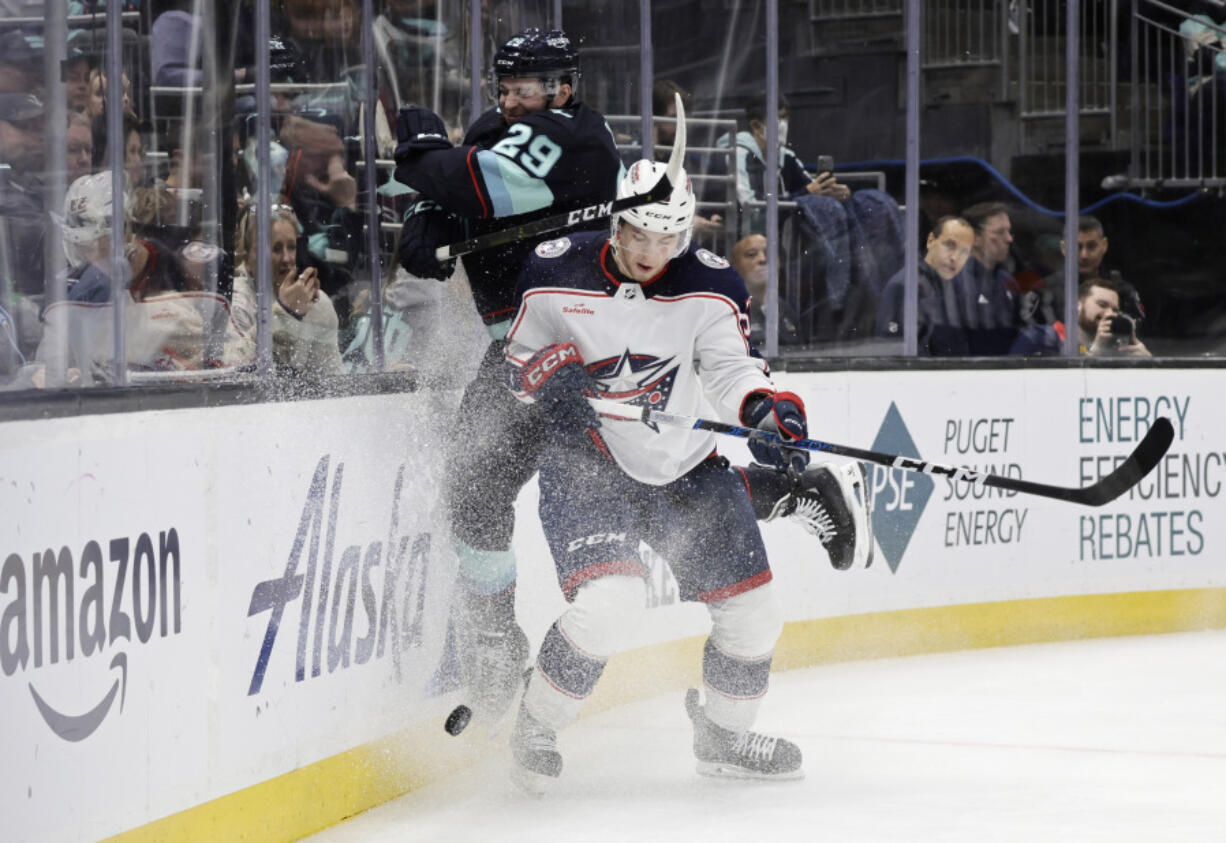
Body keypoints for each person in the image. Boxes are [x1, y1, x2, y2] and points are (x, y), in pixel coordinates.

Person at [393, 29, 872, 735]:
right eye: (503, 83)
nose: (508, 97)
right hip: (524, 348)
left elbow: (462, 181)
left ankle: (783, 491)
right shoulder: (502, 129)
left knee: (649, 475)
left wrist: (420, 152)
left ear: (560, 88)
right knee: (475, 481)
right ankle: (494, 636)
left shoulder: (569, 136)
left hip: (590, 341)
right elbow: (446, 201)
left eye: (524, 86)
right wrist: (424, 220)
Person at [504, 159, 817, 793]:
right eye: (639, 236)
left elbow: (731, 371)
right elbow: (515, 368)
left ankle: (723, 738)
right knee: (608, 609)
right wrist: (545, 380)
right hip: (588, 466)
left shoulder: (710, 285)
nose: (651, 253)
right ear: (614, 222)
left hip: (684, 464)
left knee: (755, 615)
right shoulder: (553, 271)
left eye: (667, 240)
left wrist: (764, 408)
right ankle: (535, 727)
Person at [719, 93, 903, 339]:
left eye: (786, 118)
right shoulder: (740, 152)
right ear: (755, 125)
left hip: (785, 241)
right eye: (779, 118)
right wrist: (807, 193)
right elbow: (747, 203)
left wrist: (837, 193)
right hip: (752, 235)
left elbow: (813, 189)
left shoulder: (785, 156)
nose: (784, 124)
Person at [230, 202, 345, 375]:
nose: (286, 258)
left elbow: (332, 379)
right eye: (275, 249)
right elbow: (233, 371)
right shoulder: (237, 303)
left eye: (291, 247)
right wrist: (284, 314)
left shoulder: (318, 302)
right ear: (248, 260)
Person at [876, 215, 978, 355]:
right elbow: (893, 351)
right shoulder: (906, 286)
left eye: (964, 252)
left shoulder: (955, 286)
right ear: (931, 241)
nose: (955, 258)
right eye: (949, 245)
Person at [958, 201, 1021, 354]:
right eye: (1000, 232)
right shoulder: (955, 282)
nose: (1009, 239)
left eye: (1009, 232)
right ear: (975, 238)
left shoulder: (1007, 281)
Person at [732, 233, 804, 346]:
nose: (762, 259)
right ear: (735, 266)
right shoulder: (728, 313)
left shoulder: (786, 310)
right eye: (751, 254)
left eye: (769, 254)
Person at [1077, 277, 1151, 358]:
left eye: (1115, 310)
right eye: (1102, 305)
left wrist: (1146, 360)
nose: (1110, 314)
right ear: (1078, 306)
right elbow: (1075, 362)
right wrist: (1097, 350)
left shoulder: (1119, 344)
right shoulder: (1063, 339)